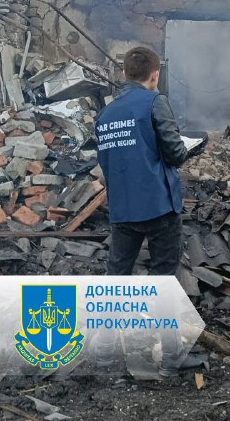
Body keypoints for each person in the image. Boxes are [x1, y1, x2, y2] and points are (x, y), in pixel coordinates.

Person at [93, 46, 205, 376]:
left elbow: (106, 163)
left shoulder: (106, 114)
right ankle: (171, 357)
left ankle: (102, 352)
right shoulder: (155, 102)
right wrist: (193, 147)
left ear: (126, 73)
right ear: (154, 74)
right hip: (158, 206)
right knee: (164, 281)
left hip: (123, 210)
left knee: (115, 279)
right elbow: (174, 154)